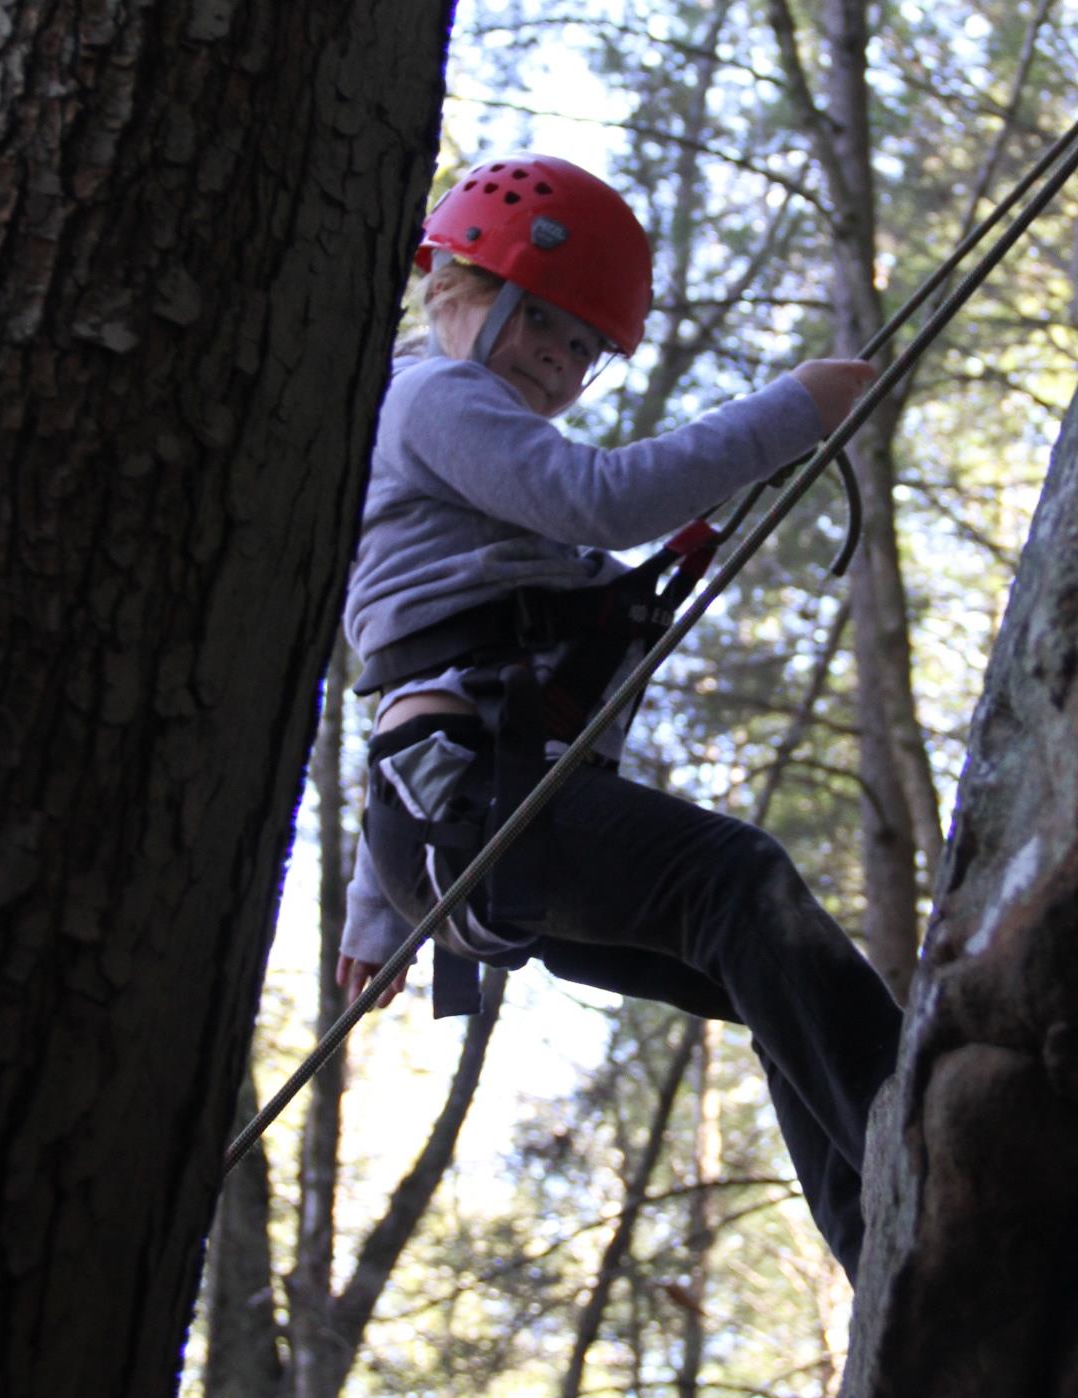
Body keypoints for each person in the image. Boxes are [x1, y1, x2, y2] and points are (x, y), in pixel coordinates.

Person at [339, 153, 902, 1280]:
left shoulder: (455, 465)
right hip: (476, 806)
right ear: (461, 286)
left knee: (770, 972)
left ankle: (884, 1240)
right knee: (738, 888)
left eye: (584, 349)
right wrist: (797, 408)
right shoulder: (436, 396)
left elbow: (421, 668)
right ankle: (924, 1156)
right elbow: (608, 499)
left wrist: (372, 913)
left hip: (470, 810)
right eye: (544, 324)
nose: (560, 362)